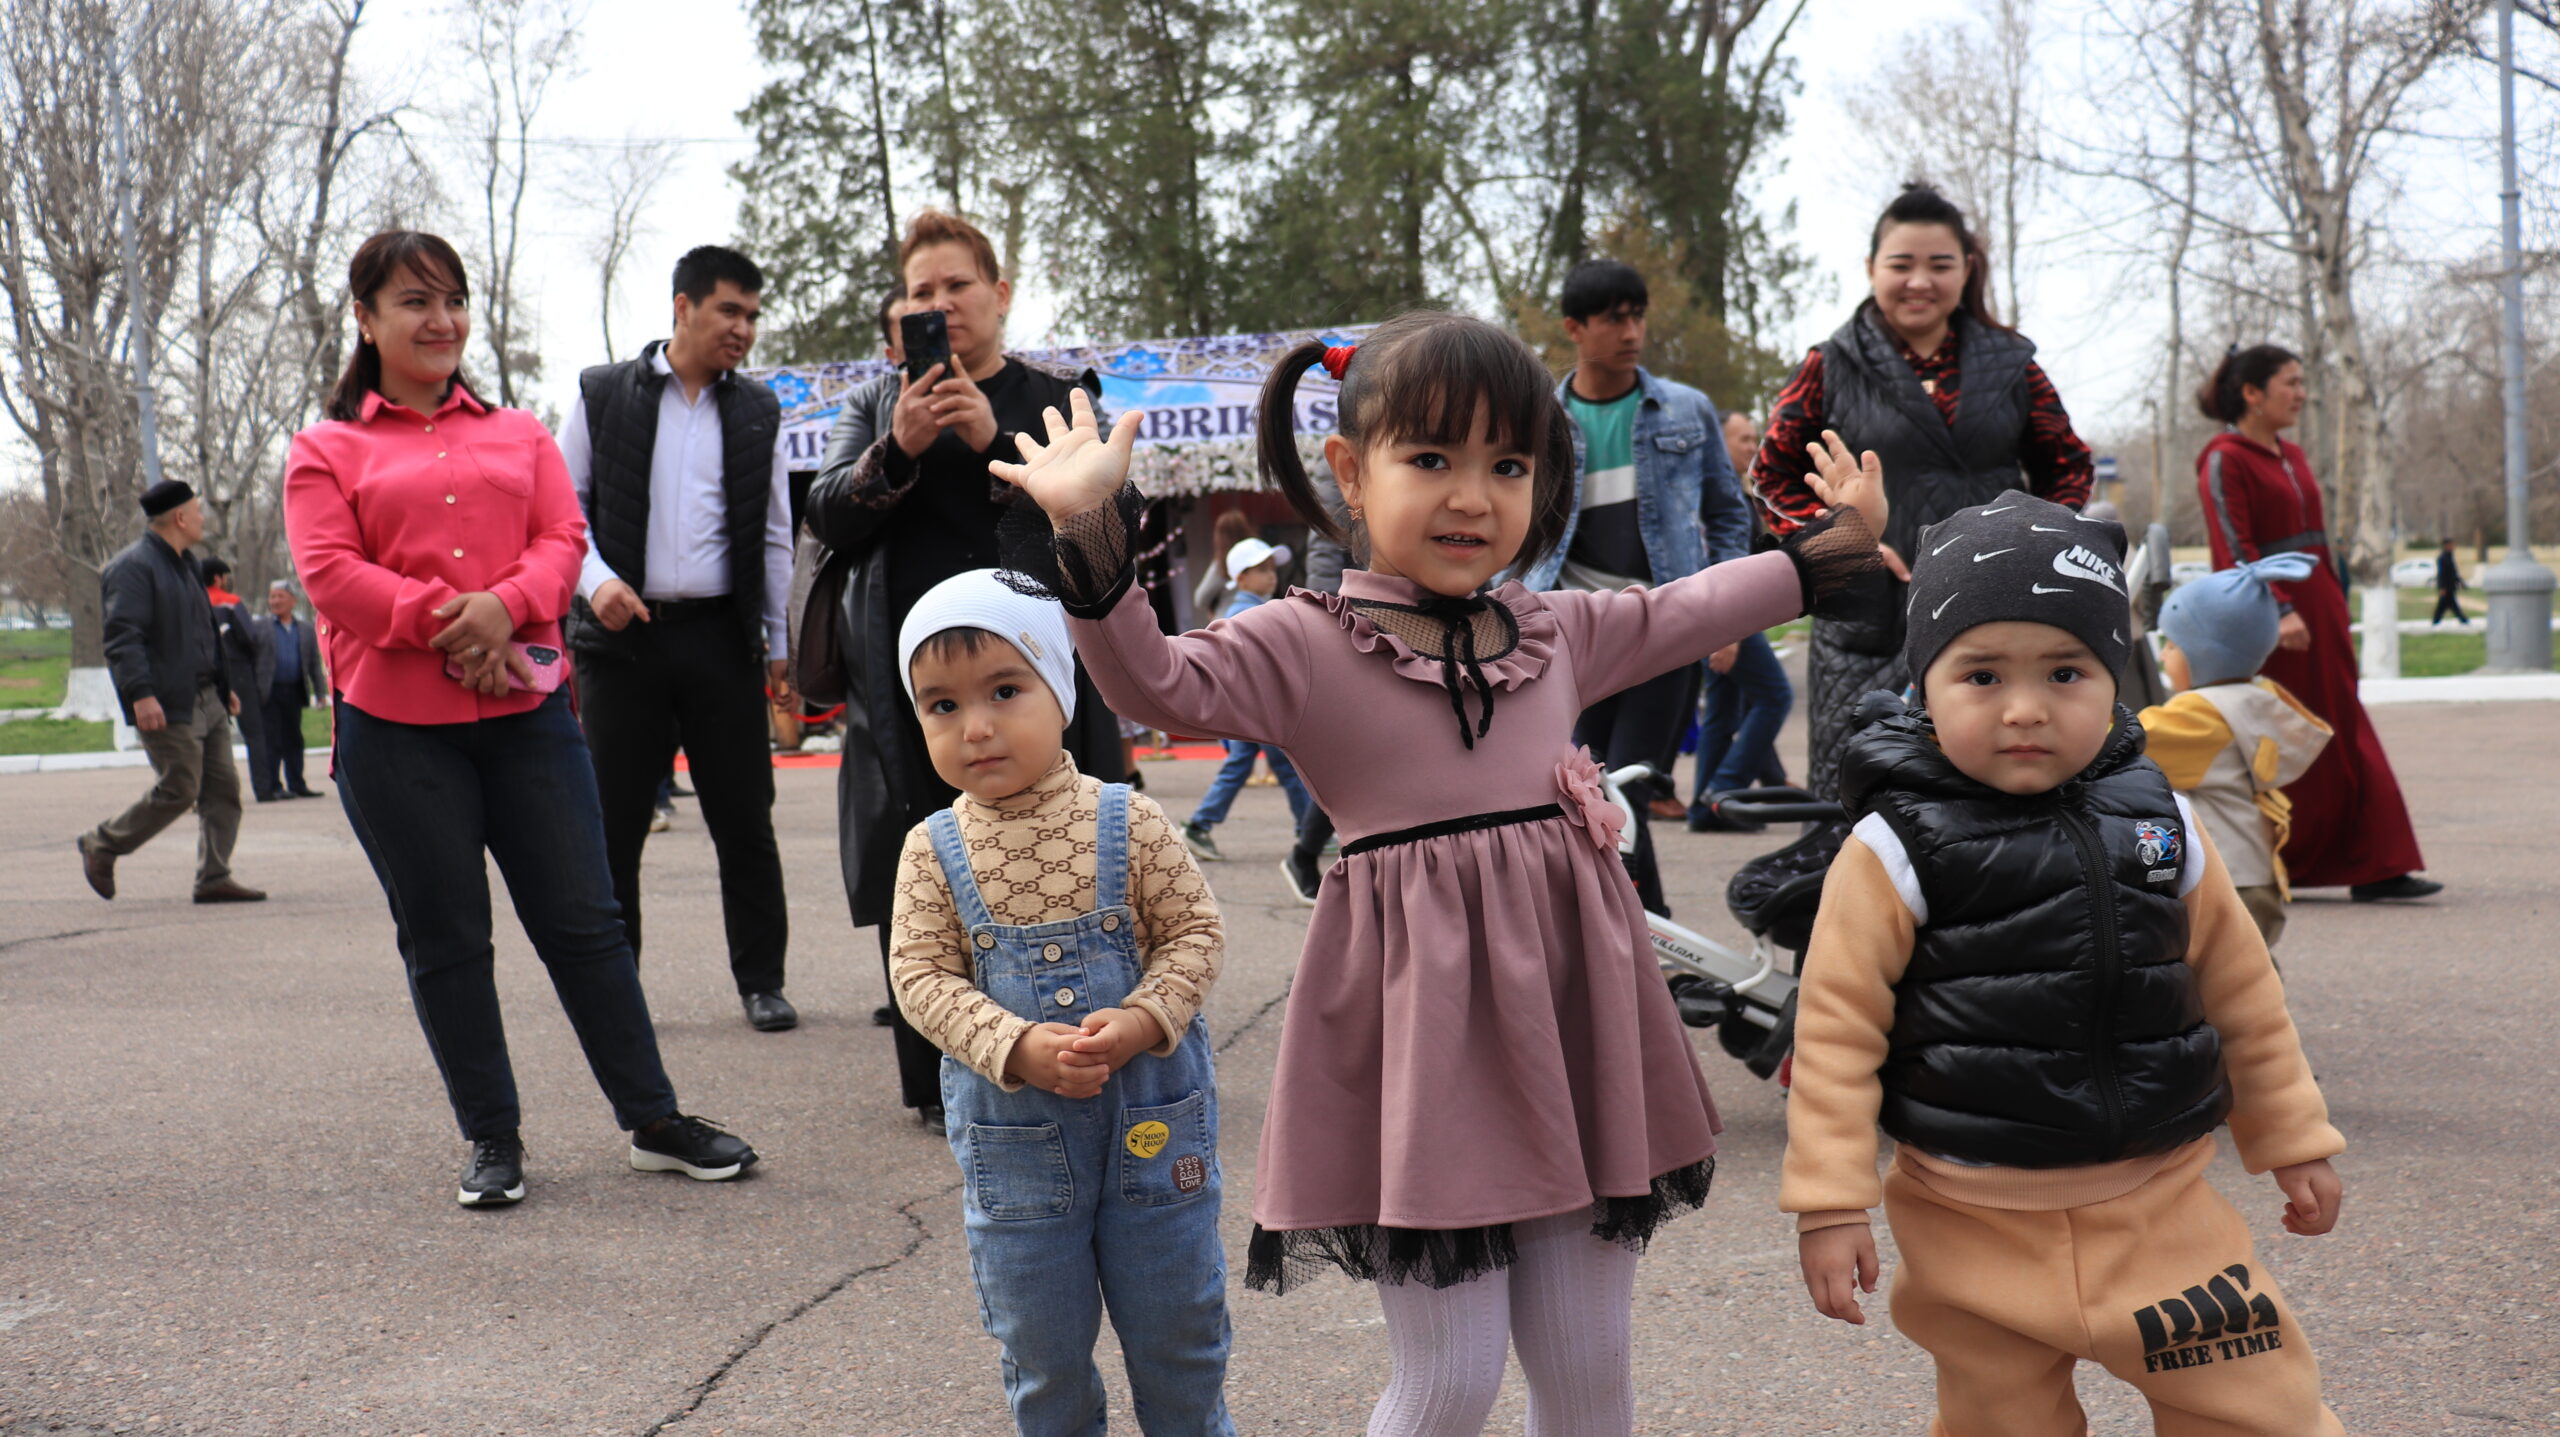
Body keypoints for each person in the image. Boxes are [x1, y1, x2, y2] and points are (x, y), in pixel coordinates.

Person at [991, 312, 1888, 1436]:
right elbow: (1155, 683)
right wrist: (1087, 529)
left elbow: (1688, 606)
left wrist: (1829, 548)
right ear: (1349, 472)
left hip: (1569, 1041)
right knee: (1448, 1382)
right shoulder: (1303, 641)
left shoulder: (1554, 630)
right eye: (1431, 458)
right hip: (1423, 1059)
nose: (1473, 497)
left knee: (1589, 1368)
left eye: (1508, 465)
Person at [1785, 495, 2348, 1437]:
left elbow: (2242, 990)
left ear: (2115, 677)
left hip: (2163, 1207)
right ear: (1924, 685)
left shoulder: (2163, 820)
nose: (2025, 708)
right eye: (1981, 674)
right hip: (1970, 1219)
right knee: (2000, 1422)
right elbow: (1836, 1032)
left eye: (2065, 671)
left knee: (2261, 1409)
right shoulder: (1893, 848)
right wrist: (1829, 1202)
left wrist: (2291, 1131)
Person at [284, 229, 757, 1207]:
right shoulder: (325, 451)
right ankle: (491, 1136)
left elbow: (562, 536)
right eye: (415, 301)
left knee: (587, 922)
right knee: (447, 936)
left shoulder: (520, 434)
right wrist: (455, 623)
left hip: (527, 717)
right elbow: (331, 574)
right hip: (394, 730)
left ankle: (654, 1120)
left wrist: (505, 608)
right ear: (365, 319)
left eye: (452, 300)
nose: (441, 320)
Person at [889, 570, 1233, 1435]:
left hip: (1152, 1130)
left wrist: (1147, 1017)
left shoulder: (1131, 820)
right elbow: (920, 977)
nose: (975, 726)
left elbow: (1195, 931)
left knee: (1180, 1332)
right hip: (1019, 1158)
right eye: (942, 705)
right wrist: (1012, 1043)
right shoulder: (931, 849)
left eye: (1005, 691)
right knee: (1041, 1348)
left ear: (1060, 688)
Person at [805, 209, 1129, 1125]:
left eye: (957, 285)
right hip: (916, 688)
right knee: (925, 862)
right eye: (922, 291)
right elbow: (827, 513)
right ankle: (940, 1081)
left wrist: (995, 440)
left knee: (1068, 847)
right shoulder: (876, 404)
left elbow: (1111, 518)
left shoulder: (1057, 396)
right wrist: (898, 448)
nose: (940, 304)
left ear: (1000, 293)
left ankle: (1089, 1048)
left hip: (1042, 670)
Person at [1755, 183, 2094, 803]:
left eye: (1939, 265)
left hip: (1995, 605)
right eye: (1901, 264)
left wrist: (2031, 543)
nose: (1919, 282)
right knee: (1863, 801)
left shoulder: (2013, 364)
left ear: (1967, 269)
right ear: (1871, 268)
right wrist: (1843, 542)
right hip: (1868, 613)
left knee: (1993, 798)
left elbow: (2067, 464)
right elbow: (1771, 474)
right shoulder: (1828, 364)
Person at [558, 245, 800, 1033]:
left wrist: (779, 646)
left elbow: (775, 537)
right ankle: (614, 988)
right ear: (683, 307)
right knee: (615, 823)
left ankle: (762, 980)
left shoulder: (758, 411)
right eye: (729, 310)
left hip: (721, 642)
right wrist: (597, 583)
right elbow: (561, 512)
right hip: (621, 641)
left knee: (745, 819)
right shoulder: (601, 394)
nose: (743, 329)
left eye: (753, 315)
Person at [1523, 259, 1753, 915]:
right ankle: (1642, 930)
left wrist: (1728, 615)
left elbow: (1729, 515)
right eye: (1614, 319)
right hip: (1572, 631)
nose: (1632, 332)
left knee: (1629, 786)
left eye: (1638, 316)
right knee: (1585, 790)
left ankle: (1642, 933)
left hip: (1664, 625)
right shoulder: (1539, 420)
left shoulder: (1685, 408)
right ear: (1575, 328)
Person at [2196, 345, 2439, 902]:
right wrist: (2279, 608)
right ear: (2252, 394)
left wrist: (2330, 598)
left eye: (2302, 382)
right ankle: (2281, 860)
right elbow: (2234, 546)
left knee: (2344, 726)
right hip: (2272, 620)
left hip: (2321, 607)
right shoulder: (2223, 458)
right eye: (2291, 383)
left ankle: (2378, 863)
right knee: (2289, 735)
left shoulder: (2293, 455)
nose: (2302, 394)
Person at [76, 482, 264, 905]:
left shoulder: (187, 564)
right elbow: (123, 637)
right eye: (198, 511)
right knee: (180, 787)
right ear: (180, 518)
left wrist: (224, 686)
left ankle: (214, 877)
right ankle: (102, 843)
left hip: (209, 698)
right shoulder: (132, 567)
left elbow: (203, 633)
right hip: (167, 701)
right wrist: (141, 694)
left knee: (223, 792)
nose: (202, 519)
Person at [2140, 554, 2335, 951]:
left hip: (2223, 874)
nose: (2163, 656)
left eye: (2172, 645)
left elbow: (2126, 740)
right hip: (2253, 869)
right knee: (2249, 965)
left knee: (2225, 973)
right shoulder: (2253, 697)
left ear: (2205, 655)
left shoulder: (2200, 716)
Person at [1689, 406, 1796, 830]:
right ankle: (1724, 791)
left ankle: (1705, 811)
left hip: (1727, 617)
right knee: (1775, 696)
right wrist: (1726, 631)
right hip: (1723, 617)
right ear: (1717, 441)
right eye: (1743, 439)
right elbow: (1712, 567)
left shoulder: (1733, 491)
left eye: (1755, 438)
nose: (1752, 446)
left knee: (1722, 709)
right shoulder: (1708, 495)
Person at [1181, 538, 1313, 861]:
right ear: (1241, 579)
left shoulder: (1243, 610)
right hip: (1260, 708)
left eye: (1272, 569)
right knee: (1285, 768)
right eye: (1262, 570)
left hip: (1248, 707)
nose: (1271, 576)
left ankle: (1200, 825)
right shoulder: (1250, 613)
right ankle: (1309, 832)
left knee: (1245, 767)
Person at [200, 557, 278, 801]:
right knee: (254, 731)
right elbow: (249, 637)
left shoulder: (192, 601)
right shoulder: (231, 602)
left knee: (207, 733)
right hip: (237, 670)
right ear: (218, 578)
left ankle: (208, 793)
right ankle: (263, 789)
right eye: (226, 576)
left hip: (204, 673)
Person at [253, 580, 327, 799]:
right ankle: (273, 786)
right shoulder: (260, 627)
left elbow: (314, 664)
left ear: (293, 600)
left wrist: (320, 693)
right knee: (272, 740)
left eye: (280, 596)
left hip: (294, 691)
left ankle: (297, 784)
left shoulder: (305, 630)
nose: (275, 601)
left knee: (294, 739)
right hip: (269, 692)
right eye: (272, 596)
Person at [1188, 507, 1258, 630]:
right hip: (1255, 618)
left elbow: (1200, 599)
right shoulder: (1258, 556)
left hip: (1226, 623)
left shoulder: (1222, 564)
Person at [2433, 538, 2466, 625]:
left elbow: (2453, 573)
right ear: (2446, 546)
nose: (2453, 547)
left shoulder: (2450, 557)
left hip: (2450, 586)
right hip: (2446, 587)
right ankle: (2463, 620)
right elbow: (2441, 574)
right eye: (2451, 545)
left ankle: (2436, 621)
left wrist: (2460, 582)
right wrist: (2442, 587)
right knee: (2447, 604)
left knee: (2446, 605)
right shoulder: (2442, 558)